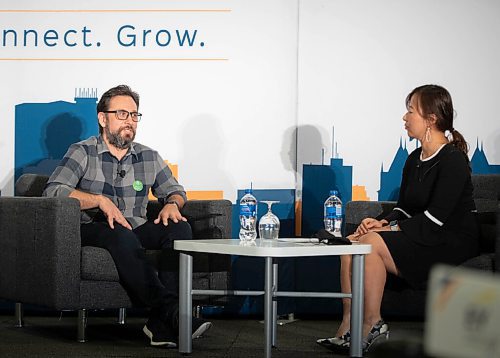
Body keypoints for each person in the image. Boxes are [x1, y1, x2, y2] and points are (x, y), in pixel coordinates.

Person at [43, 85, 212, 348]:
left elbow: (176, 191)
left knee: (178, 228)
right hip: (95, 229)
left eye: (134, 115)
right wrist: (98, 201)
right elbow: (53, 191)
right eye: (122, 114)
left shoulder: (148, 156)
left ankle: (159, 324)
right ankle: (173, 311)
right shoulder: (82, 151)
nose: (130, 121)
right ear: (103, 118)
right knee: (117, 231)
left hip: (135, 228)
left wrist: (172, 205)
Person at [317, 84, 479, 354]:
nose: (405, 118)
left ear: (431, 119)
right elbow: (405, 207)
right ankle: (348, 326)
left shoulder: (453, 159)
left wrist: (389, 229)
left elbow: (436, 218)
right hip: (424, 229)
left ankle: (373, 324)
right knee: (351, 244)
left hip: (449, 237)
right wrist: (381, 222)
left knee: (370, 244)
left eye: (411, 111)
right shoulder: (414, 157)